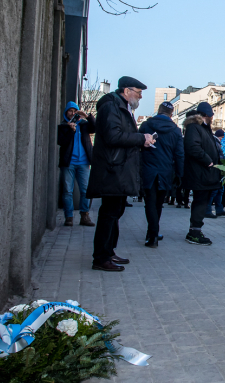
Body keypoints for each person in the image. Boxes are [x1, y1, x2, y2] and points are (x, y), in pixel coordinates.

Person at [87, 76, 156, 272]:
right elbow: (112, 136)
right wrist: (140, 138)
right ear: (127, 91)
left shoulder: (122, 107)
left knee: (115, 212)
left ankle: (108, 251)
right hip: (112, 169)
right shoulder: (111, 106)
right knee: (109, 214)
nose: (140, 97)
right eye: (138, 93)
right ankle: (101, 258)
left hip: (119, 168)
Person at [139, 101, 184, 247]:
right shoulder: (176, 130)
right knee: (158, 203)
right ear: (171, 114)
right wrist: (179, 174)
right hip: (165, 171)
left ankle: (152, 234)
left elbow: (136, 145)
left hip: (148, 169)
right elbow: (179, 154)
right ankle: (153, 233)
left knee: (150, 202)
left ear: (158, 111)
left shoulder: (146, 126)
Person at [183, 102, 221, 245]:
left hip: (205, 174)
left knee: (202, 202)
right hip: (200, 174)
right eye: (211, 115)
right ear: (207, 115)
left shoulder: (204, 129)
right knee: (200, 202)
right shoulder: (195, 127)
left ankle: (196, 229)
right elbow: (192, 147)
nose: (212, 117)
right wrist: (208, 161)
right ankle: (194, 232)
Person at [56, 101, 96, 227]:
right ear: (66, 112)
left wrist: (88, 116)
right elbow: (61, 142)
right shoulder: (63, 126)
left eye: (75, 111)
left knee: (85, 190)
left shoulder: (84, 125)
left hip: (84, 163)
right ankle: (69, 217)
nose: (72, 113)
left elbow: (95, 128)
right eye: (70, 111)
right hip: (69, 163)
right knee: (68, 191)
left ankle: (84, 216)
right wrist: (70, 129)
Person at [209, 129, 225, 217]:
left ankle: (219, 209)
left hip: (219, 168)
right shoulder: (216, 142)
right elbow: (219, 155)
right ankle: (208, 210)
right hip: (217, 168)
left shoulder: (216, 142)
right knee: (215, 190)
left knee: (220, 190)